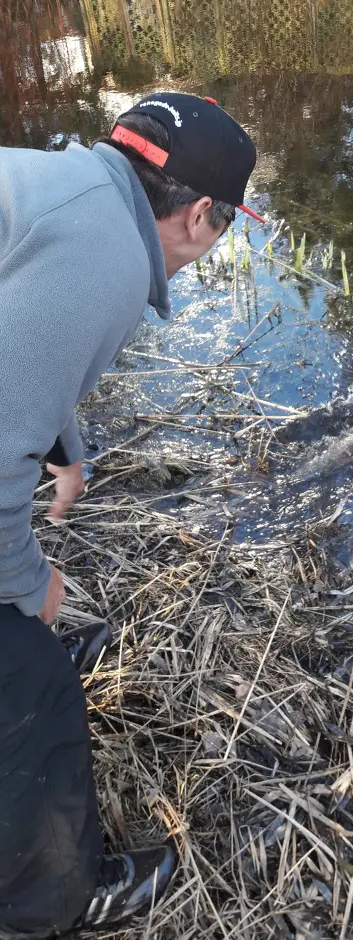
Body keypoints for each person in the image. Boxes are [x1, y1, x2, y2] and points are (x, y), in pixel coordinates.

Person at [0, 93, 263, 938]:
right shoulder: (110, 257)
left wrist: (63, 444)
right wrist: (28, 589)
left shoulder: (66, 186)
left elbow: (20, 336)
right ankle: (48, 902)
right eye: (224, 229)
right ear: (197, 215)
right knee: (30, 686)